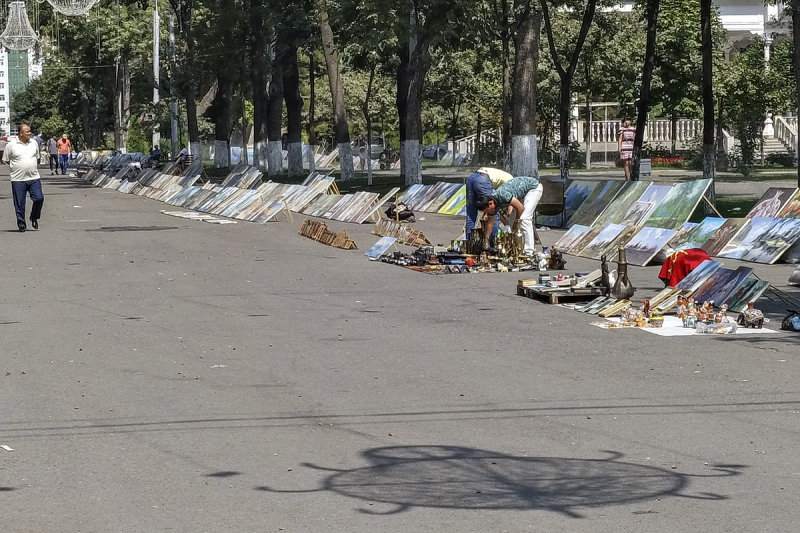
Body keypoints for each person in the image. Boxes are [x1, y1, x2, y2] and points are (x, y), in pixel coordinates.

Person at [475, 175, 543, 255]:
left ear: (490, 203)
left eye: (487, 211)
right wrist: (485, 244)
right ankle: (517, 249)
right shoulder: (492, 205)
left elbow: (520, 208)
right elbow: (490, 224)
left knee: (525, 219)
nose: (487, 213)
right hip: (522, 194)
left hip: (533, 188)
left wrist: (516, 224)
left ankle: (529, 252)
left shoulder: (502, 195)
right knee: (510, 226)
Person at [3, 123, 44, 232]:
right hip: (18, 179)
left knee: (39, 198)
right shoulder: (11, 145)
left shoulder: (34, 143)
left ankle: (34, 216)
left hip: (34, 177)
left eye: (30, 131)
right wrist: (16, 167)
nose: (30, 133)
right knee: (19, 204)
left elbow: (37, 157)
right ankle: (22, 225)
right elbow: (6, 159)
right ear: (21, 133)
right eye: (27, 132)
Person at [465, 167, 513, 244]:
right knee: (493, 215)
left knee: (471, 214)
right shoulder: (512, 182)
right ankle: (491, 245)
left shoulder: (505, 177)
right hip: (483, 179)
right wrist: (508, 220)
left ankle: (469, 245)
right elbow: (511, 204)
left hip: (472, 178)